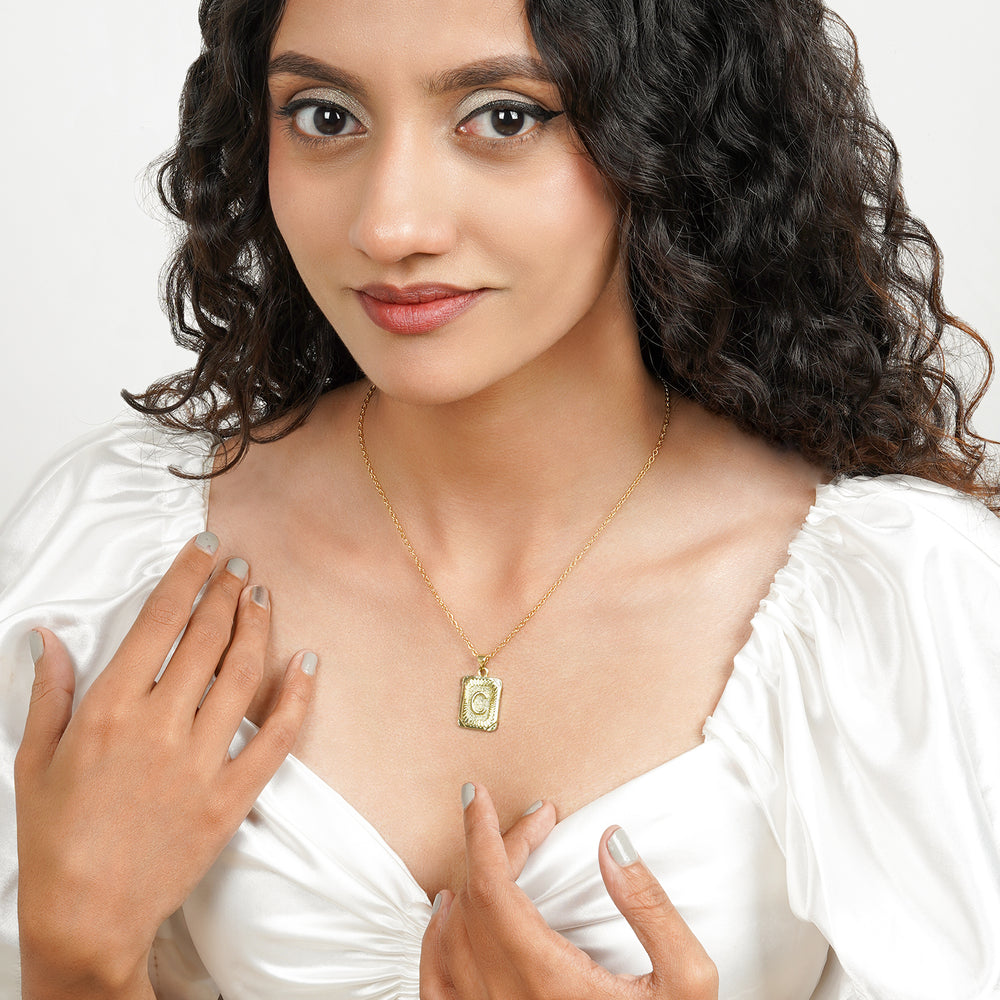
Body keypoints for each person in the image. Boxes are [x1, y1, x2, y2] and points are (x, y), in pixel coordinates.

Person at [2, 0, 998, 997]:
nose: (389, 226)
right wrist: (75, 960)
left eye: (504, 117)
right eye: (325, 116)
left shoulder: (898, 605)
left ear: (667, 127)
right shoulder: (111, 557)